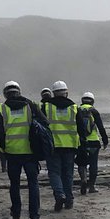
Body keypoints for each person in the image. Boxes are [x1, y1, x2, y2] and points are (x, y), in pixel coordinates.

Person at [0, 80, 46, 219]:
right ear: (19, 91)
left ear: (5, 94)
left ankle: (16, 213)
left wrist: (5, 146)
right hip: (30, 153)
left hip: (12, 153)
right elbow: (44, 123)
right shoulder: (31, 105)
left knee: (14, 184)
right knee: (33, 184)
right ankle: (34, 218)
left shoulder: (2, 109)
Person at [43, 80, 80, 211]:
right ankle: (69, 200)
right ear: (66, 92)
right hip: (70, 145)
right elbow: (81, 128)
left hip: (53, 145)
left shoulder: (47, 107)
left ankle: (59, 194)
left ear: (53, 93)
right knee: (68, 174)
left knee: (54, 173)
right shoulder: (74, 107)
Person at [77, 92, 109, 194]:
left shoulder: (76, 110)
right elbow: (100, 127)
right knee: (93, 164)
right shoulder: (94, 111)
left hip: (81, 142)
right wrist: (105, 140)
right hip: (94, 142)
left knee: (82, 163)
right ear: (93, 101)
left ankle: (83, 179)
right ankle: (91, 186)